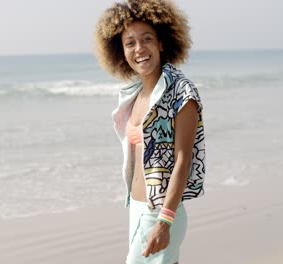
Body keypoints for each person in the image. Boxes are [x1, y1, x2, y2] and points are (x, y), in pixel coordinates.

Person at [94, 0, 206, 263]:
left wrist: (164, 223)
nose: (139, 49)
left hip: (161, 214)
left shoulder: (181, 92)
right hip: (137, 209)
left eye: (147, 39)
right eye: (130, 43)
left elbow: (183, 160)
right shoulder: (134, 94)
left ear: (162, 43)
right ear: (121, 52)